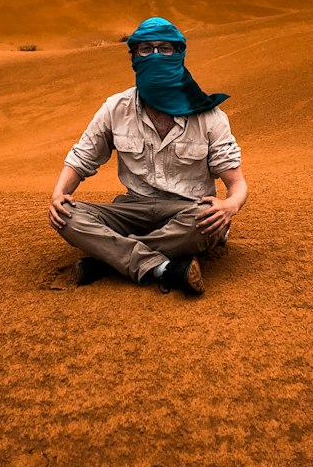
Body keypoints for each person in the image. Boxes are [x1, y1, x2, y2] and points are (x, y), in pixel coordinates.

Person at [48, 16, 248, 296]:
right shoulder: (115, 108)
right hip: (133, 207)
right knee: (66, 215)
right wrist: (58, 195)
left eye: (165, 48)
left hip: (187, 211)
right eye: (146, 49)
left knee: (208, 220)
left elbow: (236, 183)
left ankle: (108, 259)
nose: (155, 55)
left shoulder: (209, 116)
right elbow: (81, 158)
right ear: (134, 57)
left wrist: (230, 206)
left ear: (179, 55)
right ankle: (163, 267)